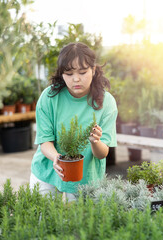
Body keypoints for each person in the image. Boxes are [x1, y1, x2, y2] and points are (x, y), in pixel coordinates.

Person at [30, 42, 117, 201]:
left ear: (93, 70)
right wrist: (56, 157)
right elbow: (44, 141)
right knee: (43, 221)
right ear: (61, 74)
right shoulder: (50, 97)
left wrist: (95, 141)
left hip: (85, 178)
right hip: (47, 171)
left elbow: (102, 153)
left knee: (81, 224)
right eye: (69, 74)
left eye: (83, 72)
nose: (76, 79)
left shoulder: (106, 102)